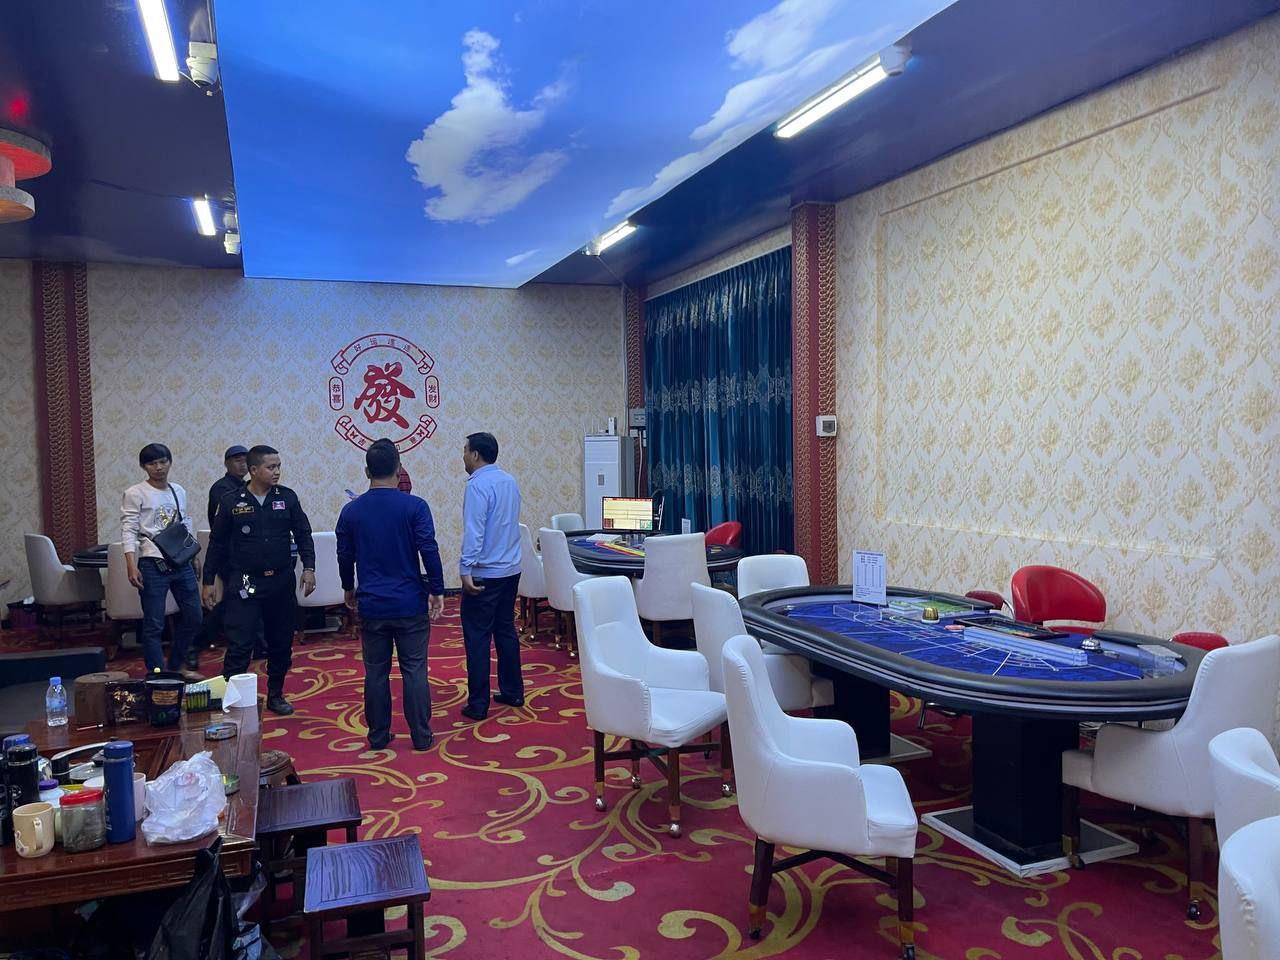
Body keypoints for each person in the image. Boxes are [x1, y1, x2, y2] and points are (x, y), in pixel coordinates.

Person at [336, 439, 445, 750]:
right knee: (415, 670)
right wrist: (437, 589)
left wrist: (348, 587)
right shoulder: (415, 506)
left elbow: (345, 556)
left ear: (366, 471)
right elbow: (429, 549)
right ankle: (421, 736)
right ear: (399, 470)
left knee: (375, 673)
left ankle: (378, 736)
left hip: (371, 603)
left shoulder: (351, 511)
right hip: (410, 602)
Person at [202, 445, 316, 715]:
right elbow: (217, 543)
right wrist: (208, 580)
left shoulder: (287, 497)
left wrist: (309, 568)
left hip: (280, 581)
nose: (276, 472)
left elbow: (303, 534)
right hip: (244, 581)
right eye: (270, 467)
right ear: (253, 470)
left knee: (280, 643)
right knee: (240, 643)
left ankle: (276, 694)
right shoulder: (231, 501)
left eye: (278, 466)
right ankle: (232, 698)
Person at [121, 443, 203, 678]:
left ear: (170, 462)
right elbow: (129, 529)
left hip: (181, 561)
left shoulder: (178, 490)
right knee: (154, 623)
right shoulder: (135, 493)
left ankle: (176, 665)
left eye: (163, 461)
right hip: (152, 563)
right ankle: (157, 673)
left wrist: (193, 555)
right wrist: (131, 564)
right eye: (152, 463)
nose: (158, 467)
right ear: (143, 466)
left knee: (194, 616)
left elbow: (184, 523)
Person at [458, 432, 524, 720]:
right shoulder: (510, 481)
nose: (463, 456)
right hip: (510, 570)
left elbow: (475, 531)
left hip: (485, 573)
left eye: (465, 451)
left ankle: (478, 703)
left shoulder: (477, 485)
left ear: (475, 455)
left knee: (477, 636)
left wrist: (465, 568)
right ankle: (513, 691)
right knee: (506, 630)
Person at [188, 444, 251, 670]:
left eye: (245, 460)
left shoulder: (247, 486)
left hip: (247, 557)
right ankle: (194, 645)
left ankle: (258, 644)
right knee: (234, 601)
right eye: (237, 460)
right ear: (226, 463)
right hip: (229, 557)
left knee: (249, 598)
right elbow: (223, 528)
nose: (242, 464)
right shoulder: (222, 489)